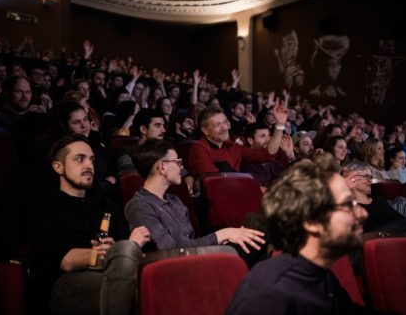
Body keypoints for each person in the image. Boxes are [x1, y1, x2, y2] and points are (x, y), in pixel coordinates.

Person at [226, 154, 368, 314]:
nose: (363, 213)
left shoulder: (321, 275)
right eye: (348, 204)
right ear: (312, 222)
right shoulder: (268, 294)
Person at [27, 134, 151, 315]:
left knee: (141, 277)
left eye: (91, 160)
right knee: (131, 272)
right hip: (66, 285)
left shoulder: (107, 206)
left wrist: (116, 251)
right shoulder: (43, 207)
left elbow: (124, 254)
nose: (89, 165)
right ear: (58, 167)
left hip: (113, 275)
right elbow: (67, 260)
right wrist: (116, 252)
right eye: (80, 159)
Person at [124, 139, 265, 258]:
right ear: (162, 167)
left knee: (256, 236)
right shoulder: (140, 206)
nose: (181, 167)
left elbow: (191, 242)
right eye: (178, 162)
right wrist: (222, 234)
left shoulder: (174, 200)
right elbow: (170, 250)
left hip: (194, 258)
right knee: (254, 242)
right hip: (176, 269)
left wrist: (225, 238)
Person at [188, 102, 287, 176]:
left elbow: (266, 155)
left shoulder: (233, 147)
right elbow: (214, 179)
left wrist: (279, 125)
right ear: (205, 130)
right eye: (218, 124)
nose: (224, 127)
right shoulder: (199, 148)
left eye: (225, 122)